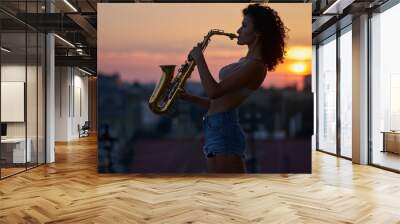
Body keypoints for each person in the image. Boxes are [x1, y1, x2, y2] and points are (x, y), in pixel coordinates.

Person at [179, 4, 287, 173]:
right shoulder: (245, 61)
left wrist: (199, 59)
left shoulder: (256, 66)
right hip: (216, 128)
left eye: (244, 26)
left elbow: (214, 91)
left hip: (224, 130)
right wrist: (188, 97)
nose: (238, 30)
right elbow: (217, 103)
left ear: (258, 33)